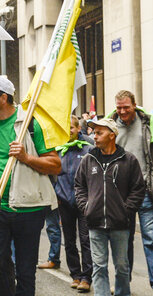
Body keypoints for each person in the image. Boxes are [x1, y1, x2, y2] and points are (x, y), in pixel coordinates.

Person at [0, 74, 61, 296]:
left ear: (3, 98)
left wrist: (26, 157)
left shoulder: (31, 125)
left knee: (25, 271)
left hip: (29, 209)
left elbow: (55, 165)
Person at [75, 117, 147, 296]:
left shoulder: (128, 160)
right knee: (99, 267)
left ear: (112, 135)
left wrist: (126, 210)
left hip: (120, 224)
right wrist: (87, 207)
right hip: (95, 223)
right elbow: (79, 186)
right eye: (94, 132)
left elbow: (138, 188)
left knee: (122, 267)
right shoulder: (88, 159)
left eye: (99, 133)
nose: (94, 136)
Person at [106, 90, 153, 288]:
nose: (123, 111)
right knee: (123, 242)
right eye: (119, 107)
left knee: (150, 239)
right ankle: (123, 286)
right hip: (120, 194)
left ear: (134, 105)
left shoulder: (147, 124)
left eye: (126, 107)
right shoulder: (109, 126)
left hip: (145, 191)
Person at [54, 115, 94, 292]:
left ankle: (86, 277)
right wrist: (56, 193)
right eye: (65, 128)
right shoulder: (57, 150)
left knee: (86, 240)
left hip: (85, 203)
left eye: (71, 127)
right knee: (69, 241)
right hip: (64, 202)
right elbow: (53, 175)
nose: (68, 131)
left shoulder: (88, 149)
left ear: (79, 129)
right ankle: (75, 275)